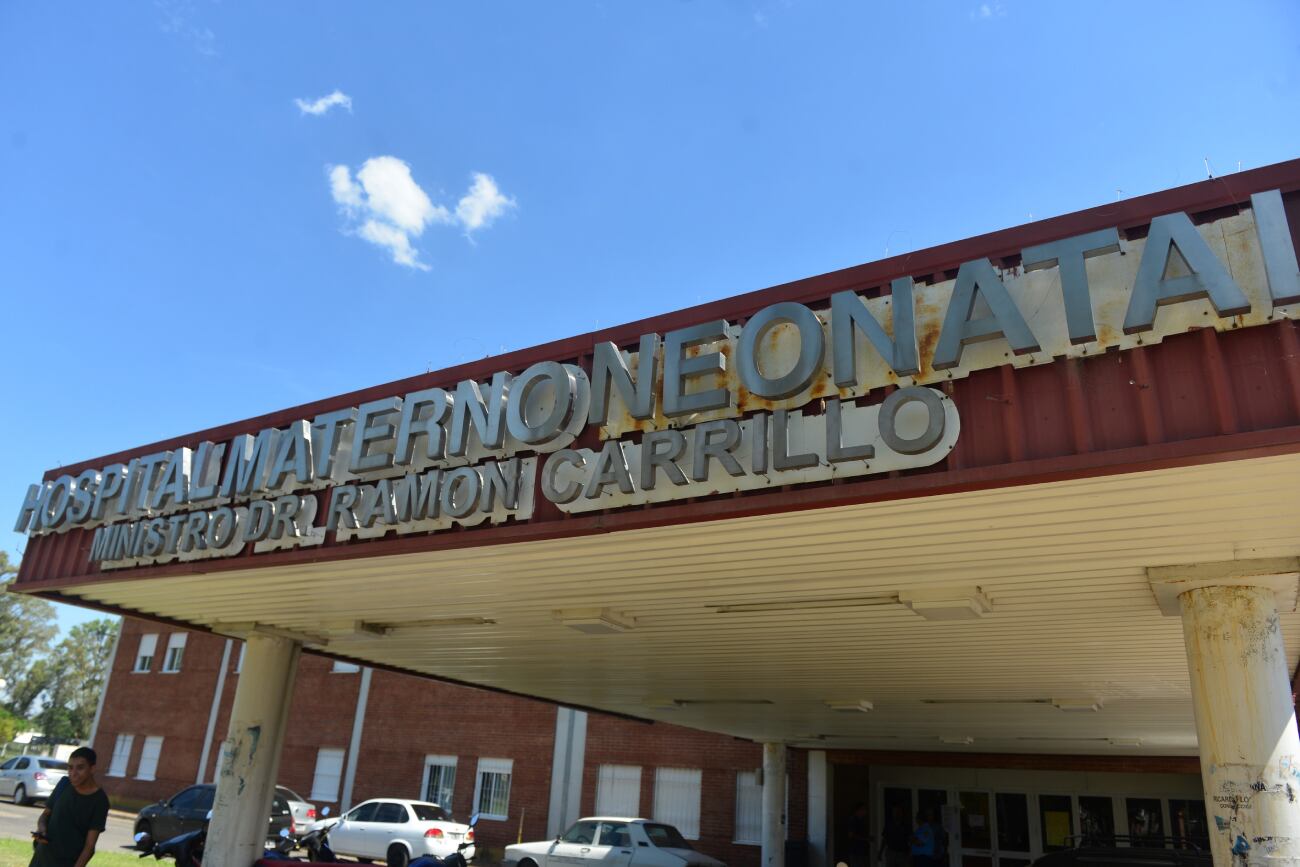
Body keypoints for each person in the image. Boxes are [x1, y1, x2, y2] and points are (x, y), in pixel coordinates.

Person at [30, 747, 110, 867]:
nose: (73, 773)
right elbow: (45, 815)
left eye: (80, 768)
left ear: (92, 768)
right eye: (70, 767)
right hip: (39, 861)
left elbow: (89, 847)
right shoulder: (64, 784)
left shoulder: (99, 801)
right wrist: (41, 829)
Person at [878, 803, 910, 867]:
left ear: (902, 813)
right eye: (895, 812)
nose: (896, 813)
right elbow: (884, 839)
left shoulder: (905, 825)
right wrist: (880, 852)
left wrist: (910, 853)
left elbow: (910, 839)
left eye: (898, 811)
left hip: (902, 853)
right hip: (891, 852)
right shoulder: (889, 825)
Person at [846, 802, 871, 867]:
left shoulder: (862, 821)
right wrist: (866, 839)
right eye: (863, 809)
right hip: (855, 851)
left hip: (862, 851)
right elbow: (851, 835)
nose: (865, 811)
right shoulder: (853, 820)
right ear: (858, 810)